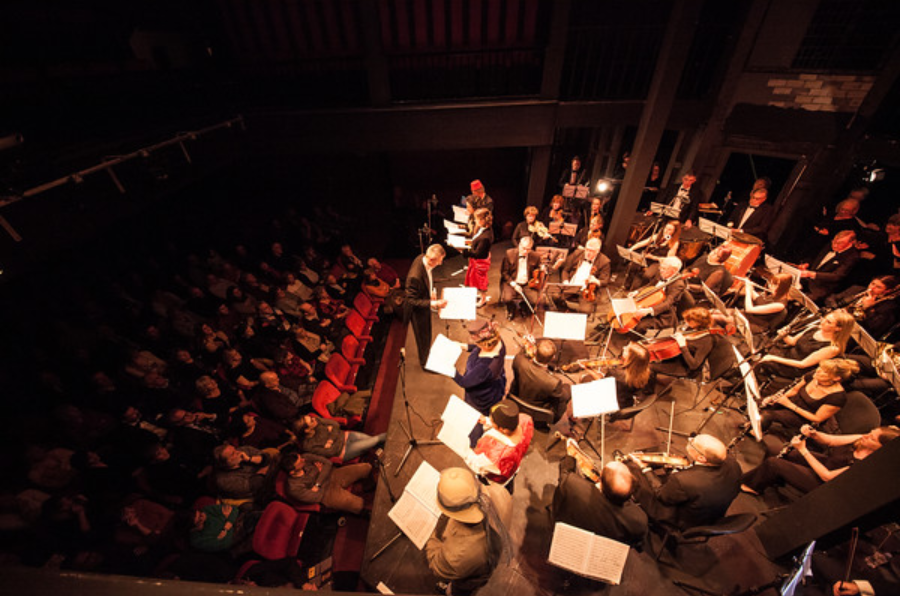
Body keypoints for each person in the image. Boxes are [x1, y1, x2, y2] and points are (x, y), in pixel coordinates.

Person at [741, 425, 899, 496]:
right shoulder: (862, 439)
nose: (865, 435)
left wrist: (804, 450)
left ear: (880, 447)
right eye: (870, 432)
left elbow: (827, 477)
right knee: (783, 451)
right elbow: (831, 441)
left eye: (871, 437)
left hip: (826, 487)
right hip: (827, 463)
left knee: (774, 463)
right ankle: (769, 479)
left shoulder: (868, 465)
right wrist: (814, 434)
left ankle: (752, 486)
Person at [425, 467, 512, 595]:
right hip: (488, 561)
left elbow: (436, 563)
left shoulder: (458, 555)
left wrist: (435, 534)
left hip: (473, 574)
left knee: (458, 591)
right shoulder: (500, 492)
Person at [627, 434, 741, 530]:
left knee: (635, 474)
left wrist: (645, 468)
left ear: (701, 458)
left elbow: (662, 496)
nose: (690, 440)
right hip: (711, 515)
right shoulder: (734, 464)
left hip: (683, 521)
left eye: (692, 444)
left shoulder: (682, 480)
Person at [552, 456, 648, 547]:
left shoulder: (572, 485)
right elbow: (635, 544)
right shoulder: (639, 520)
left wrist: (570, 457)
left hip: (573, 535)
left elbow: (565, 472)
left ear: (601, 482)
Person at [758, 358, 859, 439]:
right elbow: (794, 390)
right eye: (820, 367)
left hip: (803, 418)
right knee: (760, 403)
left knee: (767, 415)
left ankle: (756, 432)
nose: (818, 371)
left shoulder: (838, 397)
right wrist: (774, 398)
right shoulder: (813, 375)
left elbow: (817, 419)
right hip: (791, 402)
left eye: (825, 371)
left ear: (836, 378)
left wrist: (790, 405)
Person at [758, 311, 855, 381]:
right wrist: (784, 335)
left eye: (828, 322)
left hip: (793, 367)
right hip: (786, 353)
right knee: (759, 348)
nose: (822, 322)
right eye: (825, 319)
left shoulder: (833, 348)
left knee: (759, 360)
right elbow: (792, 342)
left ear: (838, 328)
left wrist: (773, 358)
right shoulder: (815, 328)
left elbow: (802, 364)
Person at [279, 451, 372, 515]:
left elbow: (328, 463)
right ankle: (368, 514)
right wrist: (320, 471)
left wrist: (317, 483)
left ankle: (369, 485)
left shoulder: (305, 457)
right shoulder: (293, 488)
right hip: (326, 494)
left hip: (332, 474)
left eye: (301, 458)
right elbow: (316, 497)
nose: (303, 460)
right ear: (292, 472)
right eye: (300, 462)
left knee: (365, 467)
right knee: (357, 504)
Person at [466, 400, 534, 485]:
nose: (490, 419)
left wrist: (464, 447)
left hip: (492, 481)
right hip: (512, 469)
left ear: (502, 430)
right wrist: (486, 421)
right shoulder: (526, 420)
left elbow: (475, 465)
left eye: (492, 420)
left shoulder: (494, 454)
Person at [404, 244, 448, 368]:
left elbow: (427, 277)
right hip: (417, 312)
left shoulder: (423, 257)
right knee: (423, 337)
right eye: (440, 261)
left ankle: (428, 355)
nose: (440, 264)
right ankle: (425, 363)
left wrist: (431, 291)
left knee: (427, 334)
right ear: (431, 260)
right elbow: (411, 301)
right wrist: (433, 303)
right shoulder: (415, 276)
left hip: (424, 300)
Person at [510, 338, 572, 422]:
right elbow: (561, 398)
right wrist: (568, 388)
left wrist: (527, 345)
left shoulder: (519, 361)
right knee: (567, 390)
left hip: (517, 402)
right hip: (537, 413)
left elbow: (522, 354)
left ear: (535, 352)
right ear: (553, 358)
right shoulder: (554, 382)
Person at [453, 319, 507, 415]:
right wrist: (463, 346)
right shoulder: (497, 341)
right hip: (495, 385)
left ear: (483, 344)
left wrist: (448, 367)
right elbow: (479, 348)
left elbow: (464, 382)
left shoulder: (484, 367)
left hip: (481, 397)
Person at [650, 307, 717, 380]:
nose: (686, 321)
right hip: (677, 355)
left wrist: (683, 345)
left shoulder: (707, 341)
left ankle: (648, 391)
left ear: (698, 323)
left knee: (648, 367)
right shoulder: (692, 329)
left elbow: (694, 365)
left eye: (688, 320)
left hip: (685, 367)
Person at [825, 275, 899, 339]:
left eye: (878, 287)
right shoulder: (857, 289)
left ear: (887, 291)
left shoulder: (887, 307)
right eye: (872, 284)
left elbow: (871, 328)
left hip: (846, 333)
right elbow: (831, 298)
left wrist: (868, 308)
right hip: (831, 320)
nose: (872, 288)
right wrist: (836, 308)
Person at [292, 413, 386, 462]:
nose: (314, 419)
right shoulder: (308, 445)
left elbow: (335, 424)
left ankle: (387, 451)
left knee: (375, 443)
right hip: (344, 450)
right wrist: (331, 431)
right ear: (307, 430)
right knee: (376, 439)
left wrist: (330, 440)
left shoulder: (316, 421)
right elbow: (331, 452)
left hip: (346, 435)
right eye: (311, 421)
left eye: (311, 418)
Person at [799, 230, 861, 303]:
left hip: (822, 287)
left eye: (840, 243)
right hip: (807, 279)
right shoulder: (830, 244)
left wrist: (811, 274)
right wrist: (807, 264)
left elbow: (837, 276)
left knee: (804, 301)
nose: (834, 245)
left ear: (851, 243)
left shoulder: (852, 256)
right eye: (834, 241)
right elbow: (815, 258)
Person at [629, 256, 688, 333]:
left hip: (662, 313)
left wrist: (649, 310)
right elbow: (650, 285)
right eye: (661, 267)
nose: (660, 270)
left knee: (640, 326)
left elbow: (667, 304)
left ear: (673, 271)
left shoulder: (678, 285)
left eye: (664, 269)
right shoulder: (662, 273)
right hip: (649, 302)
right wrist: (637, 292)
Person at [553, 237, 611, 314]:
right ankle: (565, 310)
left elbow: (605, 281)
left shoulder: (604, 261)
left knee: (585, 311)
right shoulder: (577, 253)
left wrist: (597, 281)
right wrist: (565, 281)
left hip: (586, 291)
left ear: (597, 251)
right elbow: (565, 270)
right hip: (571, 286)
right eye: (587, 249)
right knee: (555, 296)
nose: (588, 253)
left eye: (591, 251)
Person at [629, 219, 681, 289]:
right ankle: (627, 286)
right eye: (666, 228)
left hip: (658, 262)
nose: (666, 231)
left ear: (674, 232)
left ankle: (641, 290)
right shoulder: (657, 236)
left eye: (669, 230)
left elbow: (668, 260)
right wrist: (631, 249)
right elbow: (642, 243)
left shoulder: (674, 243)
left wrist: (652, 257)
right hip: (647, 258)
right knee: (632, 266)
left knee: (647, 275)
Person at [499, 236, 541, 320]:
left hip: (527, 283)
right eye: (523, 248)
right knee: (507, 299)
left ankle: (523, 306)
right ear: (519, 245)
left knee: (534, 300)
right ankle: (511, 309)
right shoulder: (509, 253)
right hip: (512, 282)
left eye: (528, 249)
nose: (525, 251)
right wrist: (514, 284)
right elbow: (504, 272)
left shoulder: (536, 256)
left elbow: (538, 271)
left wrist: (542, 270)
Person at [462, 208, 494, 308]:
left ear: (482, 220)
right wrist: (465, 243)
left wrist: (463, 251)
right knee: (474, 279)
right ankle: (477, 294)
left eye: (476, 219)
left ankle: (483, 299)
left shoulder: (486, 236)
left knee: (480, 281)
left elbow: (477, 254)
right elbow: (473, 239)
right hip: (477, 260)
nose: (475, 221)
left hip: (480, 262)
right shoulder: (481, 229)